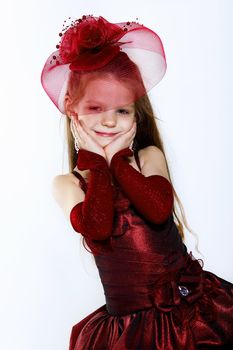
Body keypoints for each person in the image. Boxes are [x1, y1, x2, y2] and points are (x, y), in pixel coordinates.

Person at [41, 14, 233, 349]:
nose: (109, 121)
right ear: (73, 110)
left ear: (136, 113)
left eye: (122, 111)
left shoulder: (148, 158)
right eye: (96, 108)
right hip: (129, 332)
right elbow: (97, 228)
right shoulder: (67, 184)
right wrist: (99, 166)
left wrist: (117, 160)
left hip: (190, 316)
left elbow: (158, 210)